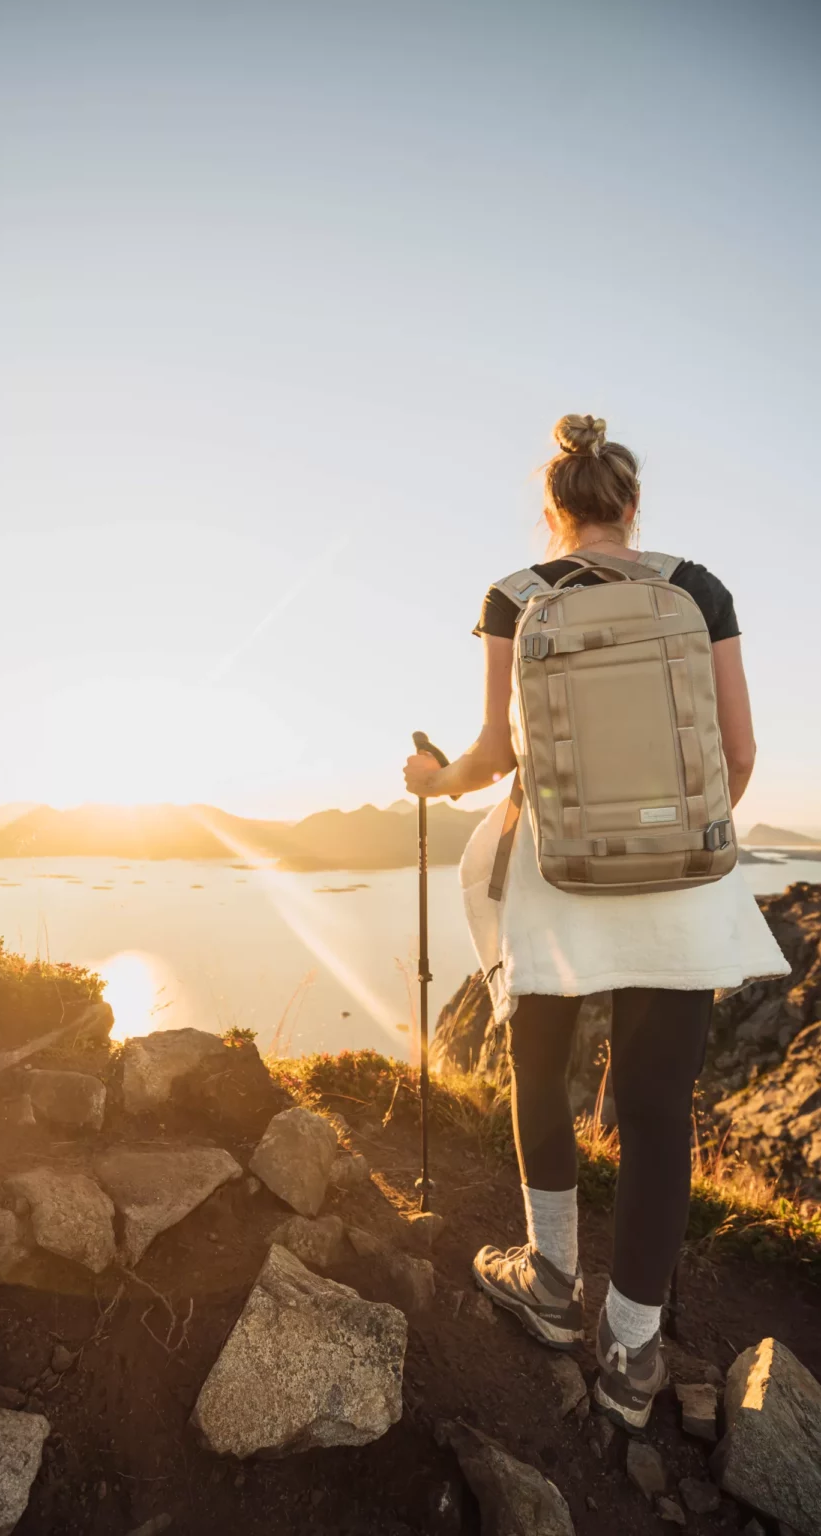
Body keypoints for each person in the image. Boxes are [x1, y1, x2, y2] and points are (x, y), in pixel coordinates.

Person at [403, 413, 788, 1432]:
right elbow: (737, 753)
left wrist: (434, 780)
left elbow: (494, 752)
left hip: (554, 874)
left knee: (538, 1067)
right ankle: (631, 1351)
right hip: (678, 877)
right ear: (628, 508)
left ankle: (547, 1279)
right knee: (659, 1109)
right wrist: (676, 842)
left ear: (552, 514)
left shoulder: (514, 597)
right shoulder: (695, 589)